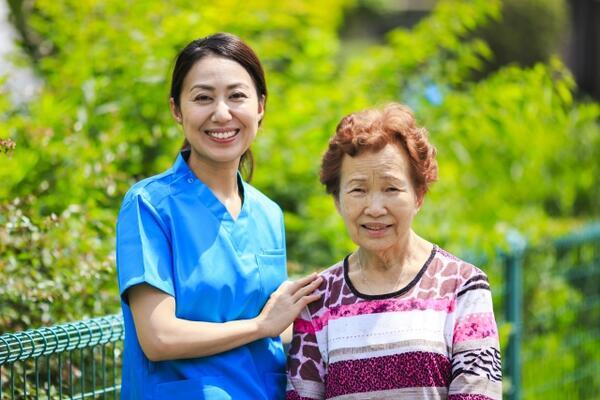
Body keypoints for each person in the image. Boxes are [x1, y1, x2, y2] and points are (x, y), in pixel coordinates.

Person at [116, 33, 322, 400]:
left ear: (260, 106)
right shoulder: (149, 204)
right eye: (203, 98)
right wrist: (260, 326)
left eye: (237, 96)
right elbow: (158, 338)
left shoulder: (268, 213)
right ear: (177, 111)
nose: (222, 113)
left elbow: (280, 326)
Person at [286, 103, 502, 400]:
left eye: (391, 189)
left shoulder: (462, 286)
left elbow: (479, 395)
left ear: (419, 195)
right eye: (358, 190)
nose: (375, 208)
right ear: (337, 200)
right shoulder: (318, 300)